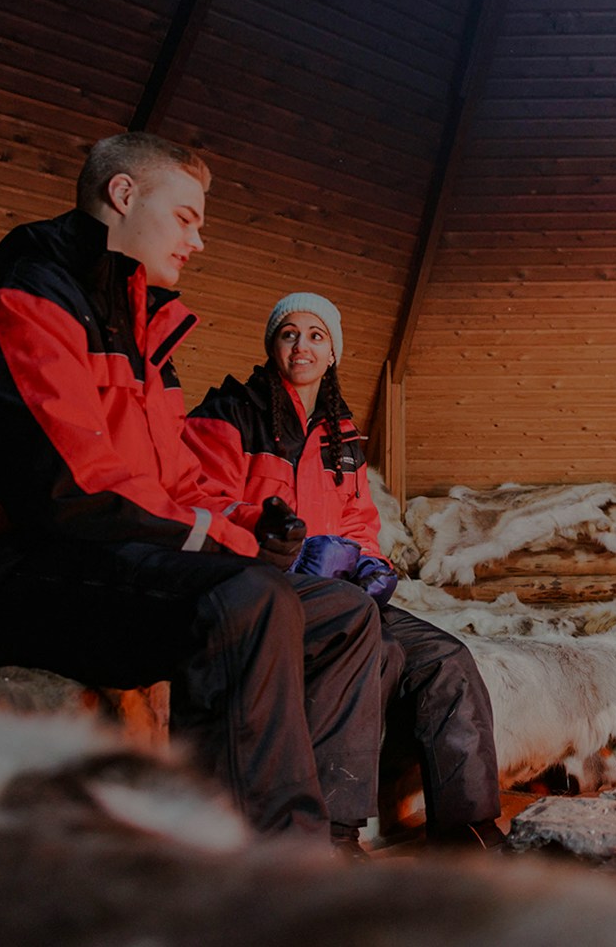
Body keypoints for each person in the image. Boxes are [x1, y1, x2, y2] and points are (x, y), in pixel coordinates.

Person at [0, 133, 386, 853]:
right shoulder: (27, 296)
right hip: (0, 571)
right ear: (123, 196)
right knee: (246, 599)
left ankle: (334, 841)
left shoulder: (142, 332)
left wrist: (257, 522)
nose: (198, 240)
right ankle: (267, 870)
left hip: (102, 561)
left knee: (342, 613)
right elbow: (71, 492)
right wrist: (236, 547)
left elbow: (176, 484)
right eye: (186, 217)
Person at [183, 292, 503, 848]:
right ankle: (333, 835)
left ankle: (467, 830)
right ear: (272, 346)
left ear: (333, 353)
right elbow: (200, 498)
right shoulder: (231, 411)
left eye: (316, 335)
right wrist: (278, 542)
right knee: (378, 652)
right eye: (289, 334)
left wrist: (370, 562)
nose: (301, 346)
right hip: (265, 586)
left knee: (446, 658)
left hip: (339, 588)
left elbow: (358, 518)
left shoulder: (342, 434)